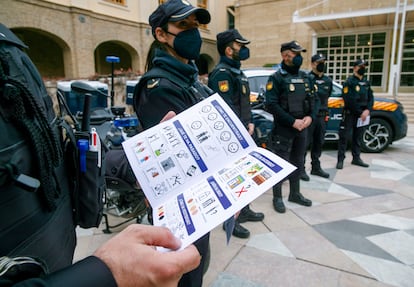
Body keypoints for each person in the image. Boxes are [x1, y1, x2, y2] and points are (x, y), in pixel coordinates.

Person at [0, 22, 201, 287]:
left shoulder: (9, 45)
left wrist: (140, 162)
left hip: (58, 255)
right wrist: (108, 275)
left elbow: (52, 161)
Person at [132, 0, 213, 286]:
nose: (193, 33)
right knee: (186, 275)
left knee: (198, 266)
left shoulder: (190, 79)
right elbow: (179, 162)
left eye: (194, 25)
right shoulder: (160, 87)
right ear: (161, 34)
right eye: (183, 25)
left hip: (202, 200)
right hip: (183, 208)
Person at [208, 29, 264, 239]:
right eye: (240, 46)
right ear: (229, 49)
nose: (244, 49)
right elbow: (225, 110)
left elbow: (243, 104)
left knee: (246, 175)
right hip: (232, 137)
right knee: (232, 178)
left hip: (244, 131)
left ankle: (245, 209)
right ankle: (232, 220)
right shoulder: (222, 73)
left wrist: (249, 122)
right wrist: (242, 127)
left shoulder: (237, 72)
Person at [265, 40, 316, 214]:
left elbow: (313, 101)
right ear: (285, 56)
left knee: (298, 162)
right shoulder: (277, 78)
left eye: (299, 53)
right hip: (284, 129)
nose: (299, 57)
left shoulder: (306, 77)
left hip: (302, 127)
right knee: (280, 164)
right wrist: (292, 121)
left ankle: (295, 193)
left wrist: (310, 117)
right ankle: (277, 197)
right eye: (295, 53)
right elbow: (271, 104)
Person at [336, 59, 374, 169]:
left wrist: (367, 110)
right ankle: (340, 160)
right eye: (361, 66)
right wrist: (360, 112)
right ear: (355, 68)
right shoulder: (349, 82)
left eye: (364, 66)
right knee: (344, 137)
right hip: (350, 114)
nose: (363, 68)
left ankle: (356, 158)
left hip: (362, 115)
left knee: (358, 137)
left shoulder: (366, 82)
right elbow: (349, 100)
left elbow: (371, 98)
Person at [301, 53, 331, 180]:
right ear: (313, 64)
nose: (322, 65)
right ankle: (301, 169)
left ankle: (316, 167)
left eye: (323, 62)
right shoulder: (307, 79)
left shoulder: (328, 80)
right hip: (310, 116)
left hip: (322, 116)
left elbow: (327, 96)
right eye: (319, 62)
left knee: (319, 142)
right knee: (305, 143)